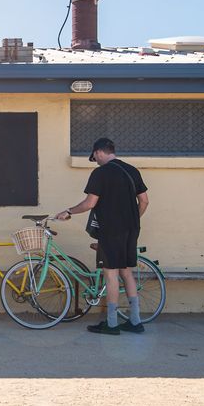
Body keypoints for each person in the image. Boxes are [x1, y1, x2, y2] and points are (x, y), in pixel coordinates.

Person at [55, 137, 150, 335]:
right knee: (126, 271)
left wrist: (69, 211)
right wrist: (132, 220)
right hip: (131, 229)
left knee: (111, 273)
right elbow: (144, 201)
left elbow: (90, 203)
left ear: (98, 152)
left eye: (95, 157)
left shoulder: (101, 173)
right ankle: (135, 321)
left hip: (111, 230)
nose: (95, 161)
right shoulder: (132, 170)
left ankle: (112, 323)